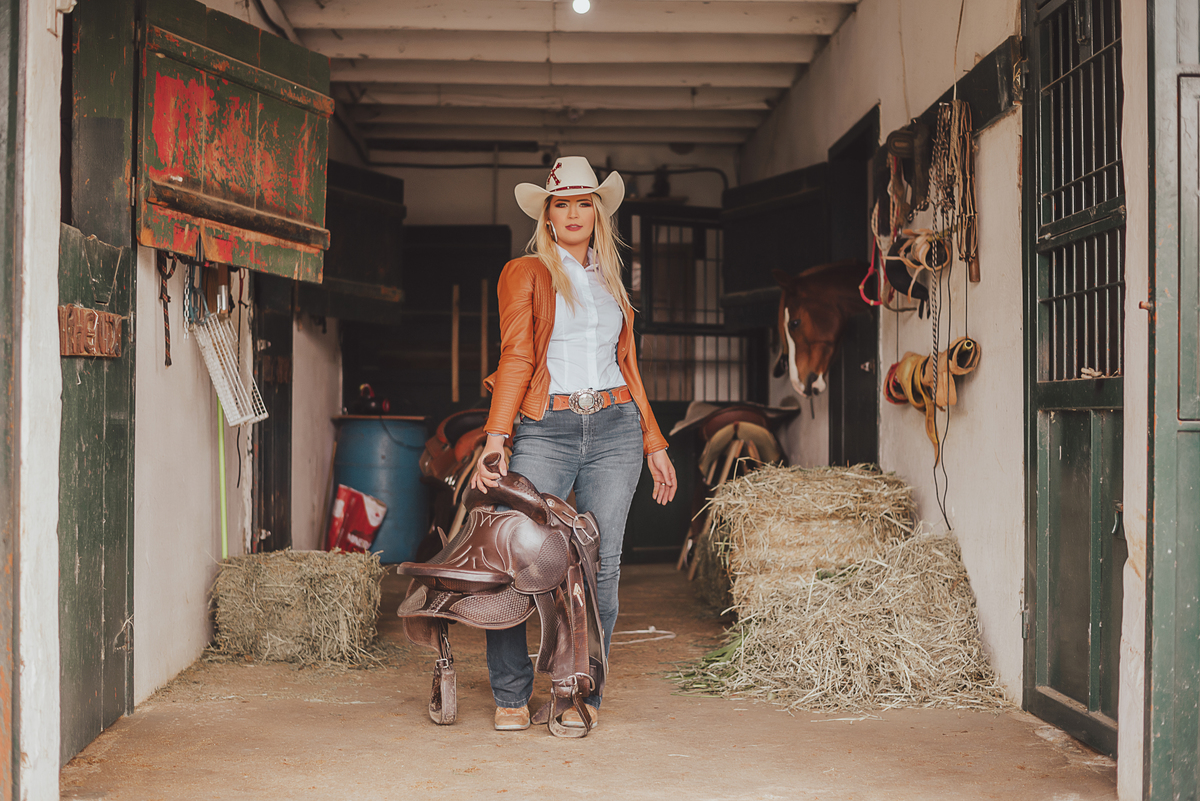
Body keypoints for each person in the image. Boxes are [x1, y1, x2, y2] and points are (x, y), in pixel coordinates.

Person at [470, 156, 677, 733]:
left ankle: (580, 693)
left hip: (615, 428)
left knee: (599, 567)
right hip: (547, 428)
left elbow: (626, 365)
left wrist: (653, 441)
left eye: (584, 203)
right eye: (561, 204)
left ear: (598, 213)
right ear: (547, 216)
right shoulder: (526, 272)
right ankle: (511, 694)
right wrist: (496, 437)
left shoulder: (612, 281)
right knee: (517, 556)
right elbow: (517, 356)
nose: (573, 214)